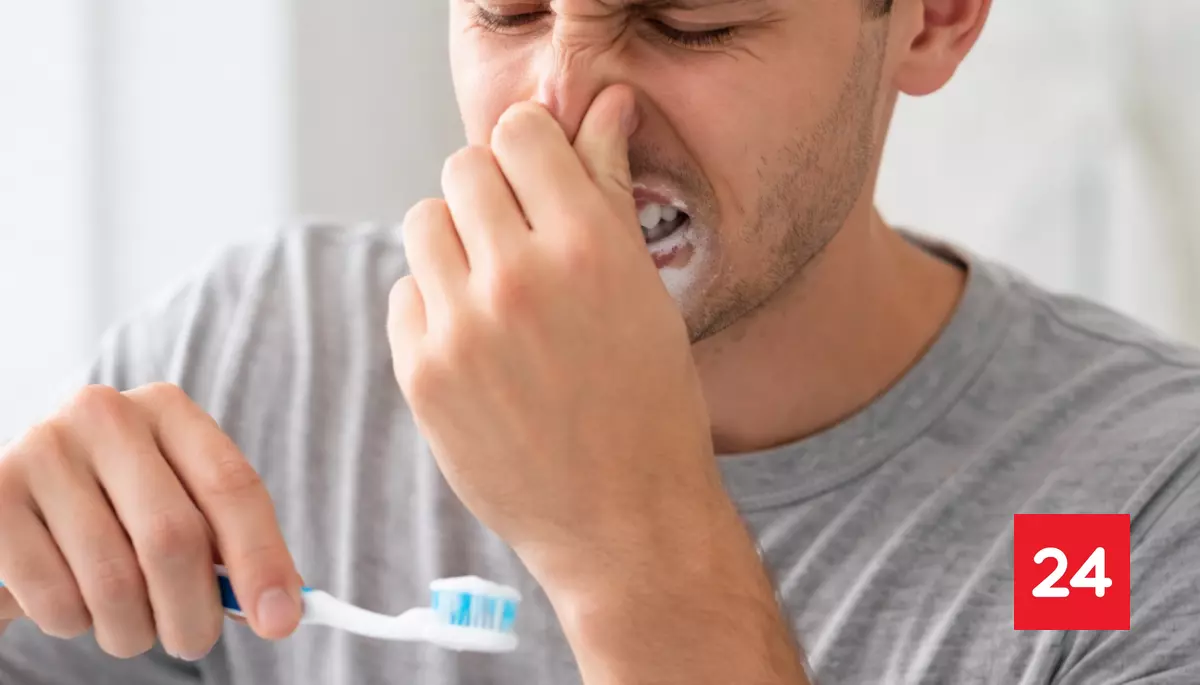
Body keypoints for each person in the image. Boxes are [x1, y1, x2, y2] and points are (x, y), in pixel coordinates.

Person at [2, 0, 1199, 682]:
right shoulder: (261, 360)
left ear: (934, 20)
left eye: (689, 17)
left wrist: (633, 549)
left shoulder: (1146, 513)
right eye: (509, 9)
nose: (562, 109)